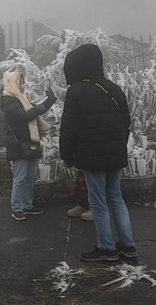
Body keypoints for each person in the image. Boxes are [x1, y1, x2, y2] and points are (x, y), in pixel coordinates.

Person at [59, 44, 138, 262]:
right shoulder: (113, 88)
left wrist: (67, 155)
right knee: (116, 198)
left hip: (91, 157)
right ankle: (128, 246)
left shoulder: (75, 91)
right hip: (115, 155)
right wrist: (118, 146)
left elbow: (68, 128)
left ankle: (106, 249)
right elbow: (126, 122)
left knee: (98, 203)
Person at [0, 71, 57, 221]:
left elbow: (32, 112)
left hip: (29, 144)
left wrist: (49, 100)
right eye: (19, 81)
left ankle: (27, 205)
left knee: (30, 176)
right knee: (20, 177)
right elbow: (25, 116)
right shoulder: (8, 101)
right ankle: (17, 208)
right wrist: (43, 104)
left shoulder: (21, 99)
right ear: (11, 83)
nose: (22, 84)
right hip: (18, 145)